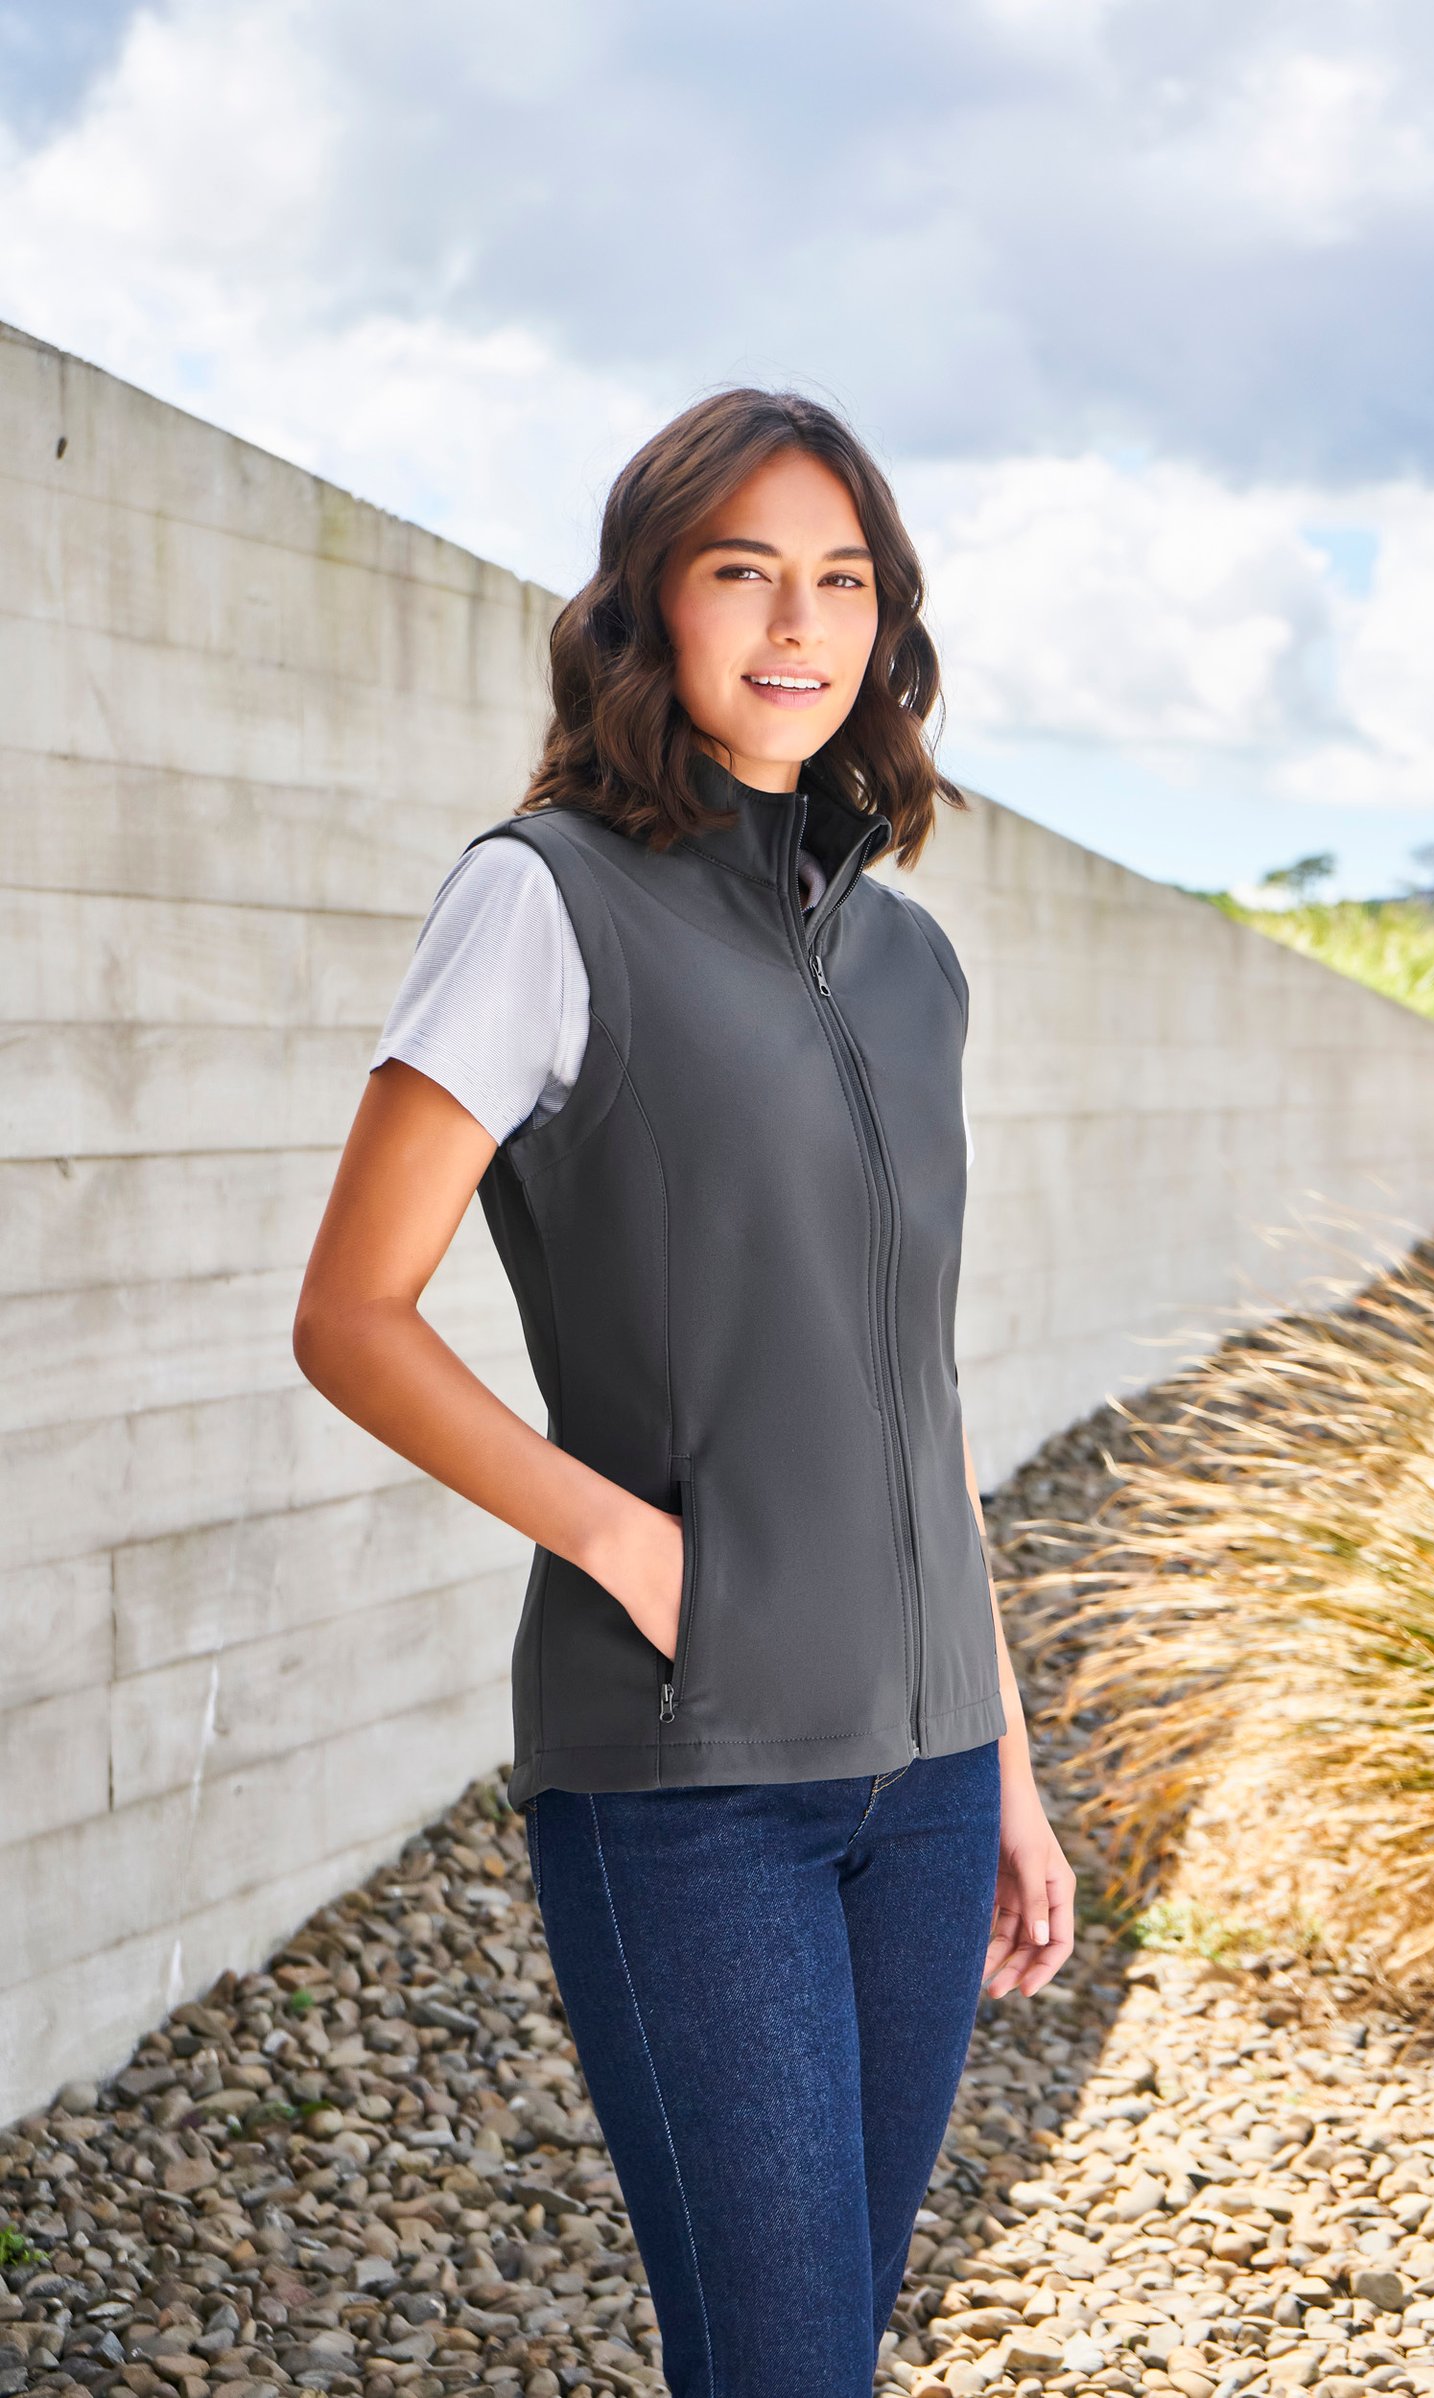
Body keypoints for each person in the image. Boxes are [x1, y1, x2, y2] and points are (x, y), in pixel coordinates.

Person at [293, 386, 1076, 2398]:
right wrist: (629, 1544)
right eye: (745, 572)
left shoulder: (912, 964)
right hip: (692, 1772)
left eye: (843, 580)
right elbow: (352, 1312)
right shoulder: (541, 897)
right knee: (778, 2365)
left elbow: (912, 1379)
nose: (799, 624)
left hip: (924, 1778)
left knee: (818, 2356)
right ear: (650, 603)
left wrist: (1000, 1755)